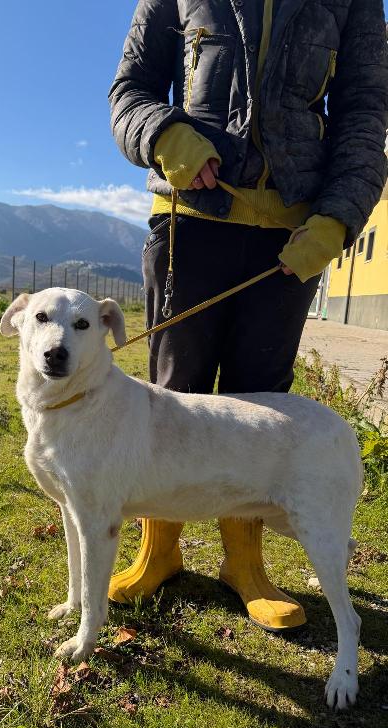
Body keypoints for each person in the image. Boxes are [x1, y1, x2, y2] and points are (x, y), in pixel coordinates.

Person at [107, 0, 388, 630]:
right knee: (170, 400)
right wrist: (162, 133)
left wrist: (340, 217)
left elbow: (365, 113)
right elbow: (130, 91)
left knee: (259, 409)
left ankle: (244, 565)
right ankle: (160, 553)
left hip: (290, 242)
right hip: (191, 228)